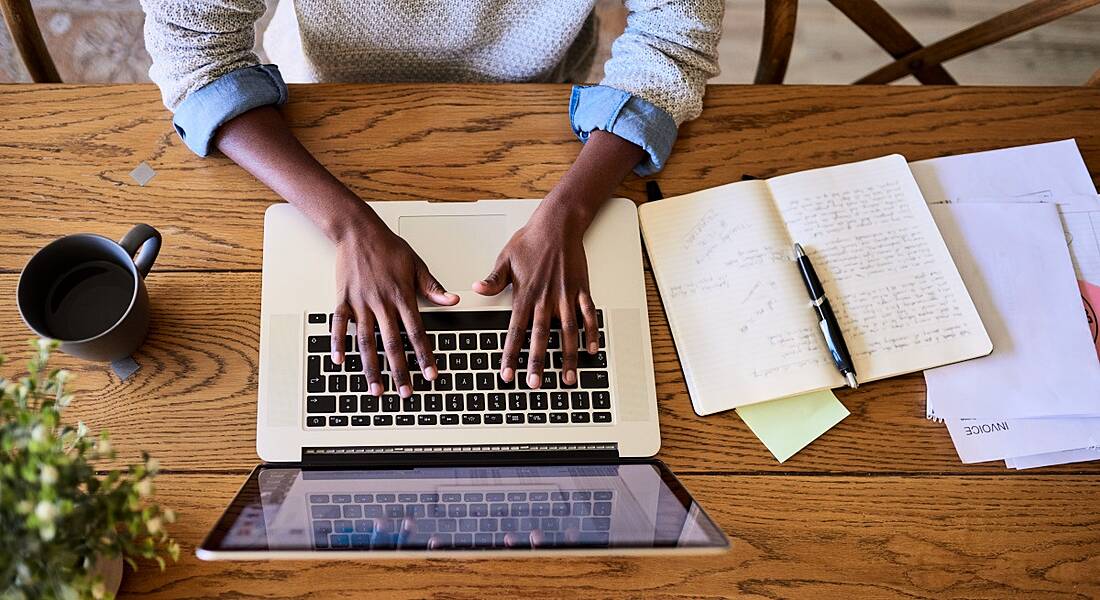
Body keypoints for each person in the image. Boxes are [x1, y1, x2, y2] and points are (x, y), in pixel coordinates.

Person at [141, 0, 723, 399]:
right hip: (322, 114)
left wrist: (570, 211)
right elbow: (196, 52)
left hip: (539, 114)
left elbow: (675, 35)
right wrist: (346, 225)